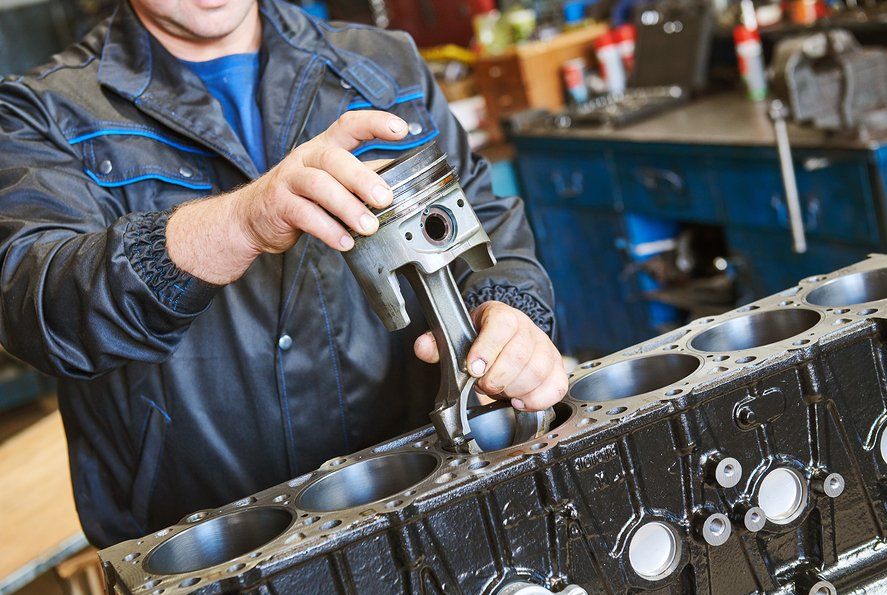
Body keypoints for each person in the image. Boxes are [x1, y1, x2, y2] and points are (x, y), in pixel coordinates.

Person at [0, 0, 567, 547]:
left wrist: (510, 311)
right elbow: (41, 310)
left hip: (431, 495)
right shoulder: (39, 112)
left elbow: (485, 222)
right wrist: (242, 221)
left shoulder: (385, 65)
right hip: (213, 545)